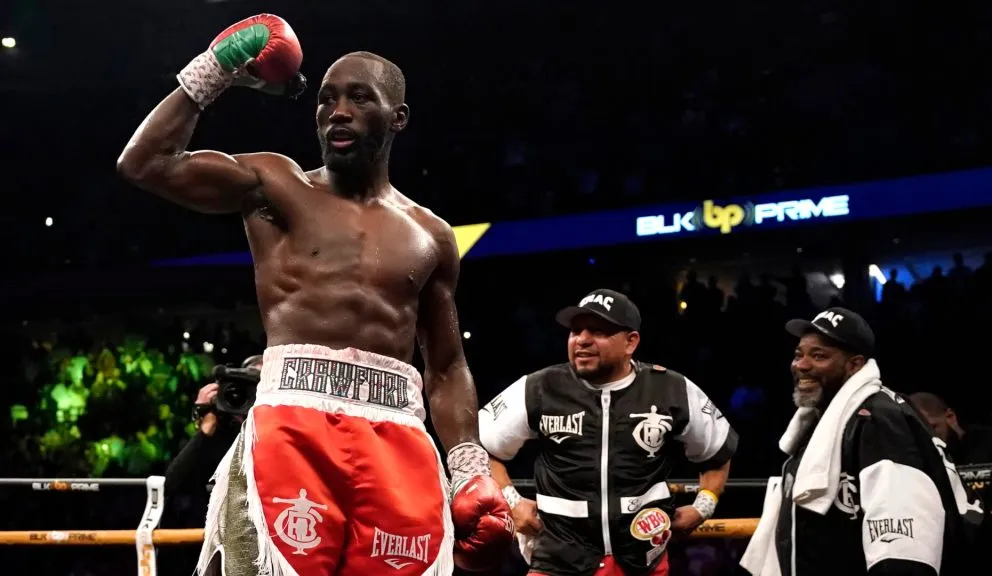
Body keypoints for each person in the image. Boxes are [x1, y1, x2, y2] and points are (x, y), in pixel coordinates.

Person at [116, 13, 513, 576]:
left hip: (398, 434)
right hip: (291, 428)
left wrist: (470, 465)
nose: (338, 112)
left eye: (359, 98)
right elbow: (146, 164)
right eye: (326, 99)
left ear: (397, 118)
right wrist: (216, 69)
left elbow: (446, 366)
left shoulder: (431, 234)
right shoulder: (276, 185)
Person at [478, 288, 738, 576]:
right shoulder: (540, 387)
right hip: (558, 561)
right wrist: (511, 501)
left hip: (642, 560)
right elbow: (480, 447)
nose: (583, 340)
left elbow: (717, 452)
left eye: (599, 331)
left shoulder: (671, 389)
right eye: (576, 331)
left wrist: (703, 507)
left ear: (630, 342)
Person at [740, 307, 986, 576]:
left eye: (818, 355)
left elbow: (901, 540)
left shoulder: (879, 419)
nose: (801, 365)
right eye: (799, 355)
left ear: (854, 365)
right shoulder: (826, 421)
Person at [164, 355, 262, 497]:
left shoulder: (285, 431)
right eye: (251, 386)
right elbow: (173, 484)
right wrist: (206, 423)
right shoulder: (220, 431)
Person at [908, 392, 992, 466]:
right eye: (918, 433)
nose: (928, 437)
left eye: (932, 428)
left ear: (950, 417)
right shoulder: (918, 461)